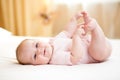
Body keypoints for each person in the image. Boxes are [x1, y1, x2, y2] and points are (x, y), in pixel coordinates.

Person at [16, 11, 112, 65]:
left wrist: (73, 20)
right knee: (96, 52)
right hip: (95, 54)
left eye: (36, 45)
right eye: (35, 56)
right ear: (35, 65)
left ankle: (90, 26)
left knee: (83, 31)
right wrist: (76, 37)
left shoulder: (53, 41)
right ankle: (95, 28)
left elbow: (67, 32)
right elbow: (75, 57)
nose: (39, 50)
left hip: (90, 41)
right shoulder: (55, 58)